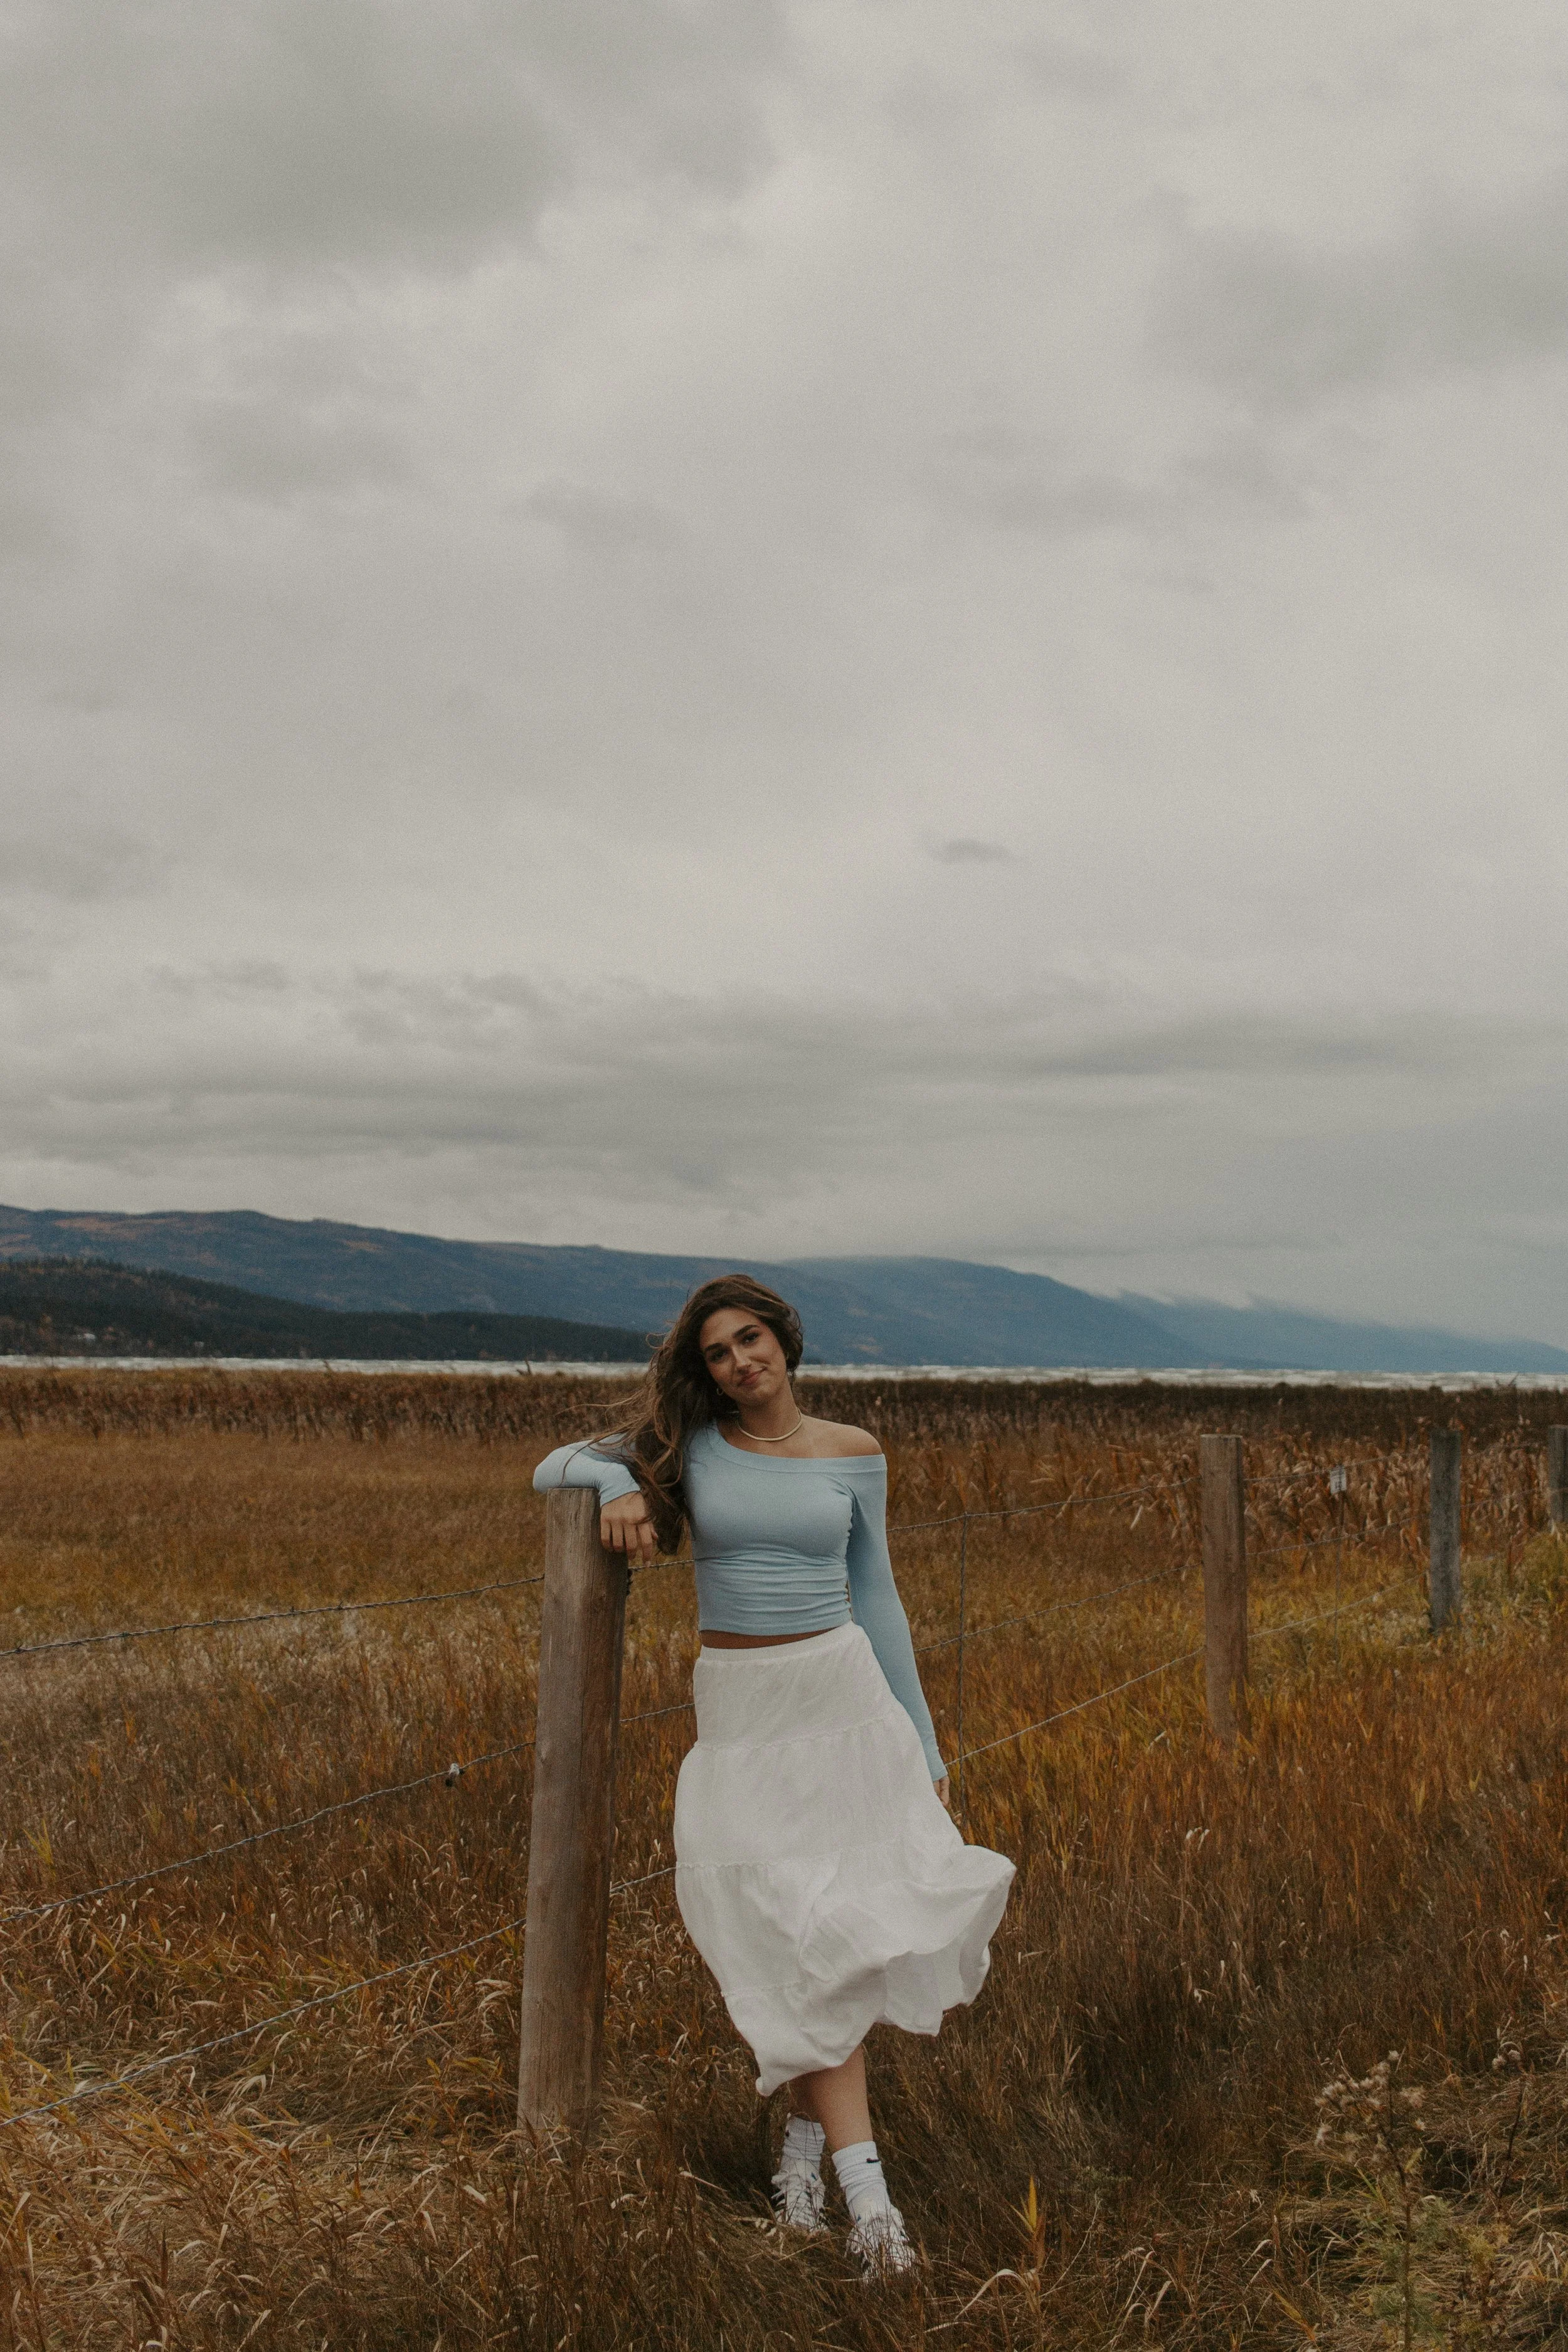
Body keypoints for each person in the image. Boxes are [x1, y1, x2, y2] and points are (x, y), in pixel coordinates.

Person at [533, 1273, 1014, 2279]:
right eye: (718, 1351)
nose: (740, 1360)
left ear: (784, 1342)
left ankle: (860, 2205)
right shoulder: (687, 1447)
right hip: (745, 1716)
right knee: (786, 1933)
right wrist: (619, 1483)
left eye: (751, 1339)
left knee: (827, 1943)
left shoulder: (852, 1453)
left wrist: (923, 1752)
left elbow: (878, 1597)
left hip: (842, 1708)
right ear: (702, 1368)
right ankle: (810, 2169)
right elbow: (554, 1464)